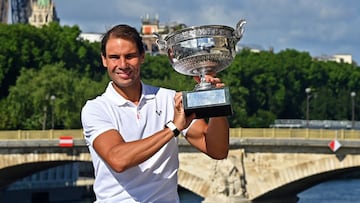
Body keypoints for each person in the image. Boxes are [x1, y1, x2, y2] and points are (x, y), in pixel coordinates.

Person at [81, 24, 230, 203]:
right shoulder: (96, 108)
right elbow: (118, 159)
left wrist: (215, 104)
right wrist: (173, 128)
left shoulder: (168, 99)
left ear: (142, 56)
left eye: (130, 56)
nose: (122, 65)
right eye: (114, 57)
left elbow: (217, 150)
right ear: (104, 60)